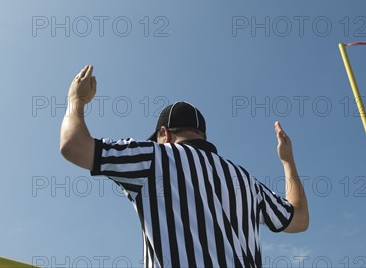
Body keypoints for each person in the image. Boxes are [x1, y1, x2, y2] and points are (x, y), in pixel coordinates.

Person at [60, 65, 309, 267]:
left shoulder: (154, 156)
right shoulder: (245, 181)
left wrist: (75, 101)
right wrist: (288, 161)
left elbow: (74, 146)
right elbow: (299, 220)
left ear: (164, 133)